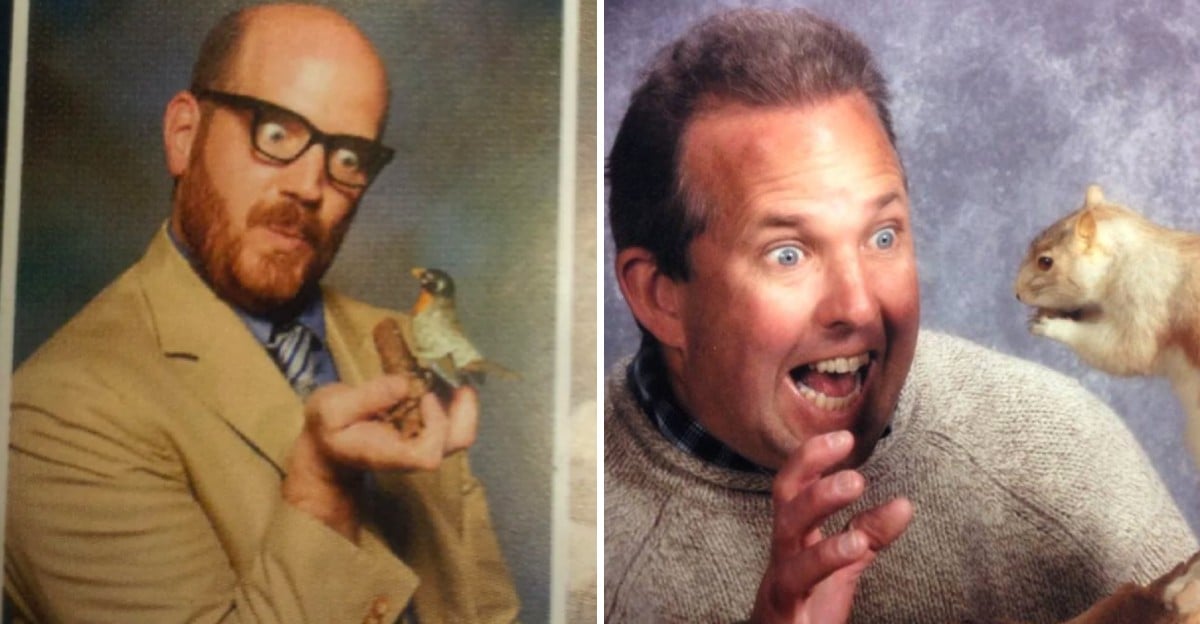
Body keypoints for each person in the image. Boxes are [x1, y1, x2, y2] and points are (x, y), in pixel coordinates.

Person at [604, 8, 1197, 623]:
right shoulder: (585, 555)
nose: (860, 306)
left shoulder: (1061, 452)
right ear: (659, 296)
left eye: (882, 237)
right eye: (788, 253)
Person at [6, 4, 519, 623]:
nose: (310, 186)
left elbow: (487, 610)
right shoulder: (56, 416)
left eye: (349, 158)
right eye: (275, 134)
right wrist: (323, 490)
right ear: (184, 135)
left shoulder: (403, 345)